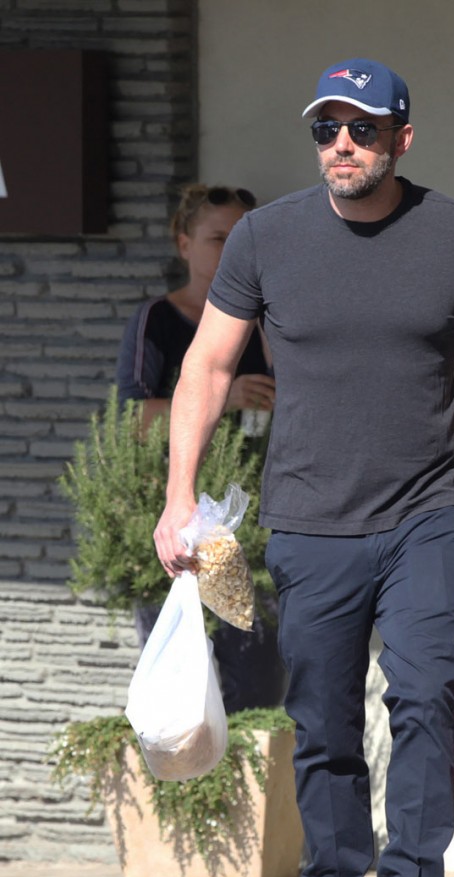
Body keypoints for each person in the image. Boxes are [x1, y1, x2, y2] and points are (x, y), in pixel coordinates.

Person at [152, 59, 454, 877]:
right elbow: (208, 368)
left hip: (429, 515)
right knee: (325, 726)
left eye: (362, 128)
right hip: (310, 519)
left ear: (400, 138)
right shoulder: (265, 239)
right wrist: (180, 497)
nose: (342, 144)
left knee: (424, 701)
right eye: (327, 128)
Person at [117, 182, 284, 714]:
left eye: (241, 237)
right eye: (217, 238)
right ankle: (191, 791)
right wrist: (228, 397)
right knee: (182, 681)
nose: (230, 249)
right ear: (183, 243)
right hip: (178, 523)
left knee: (257, 681)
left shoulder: (266, 324)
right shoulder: (159, 321)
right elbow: (132, 423)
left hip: (250, 524)